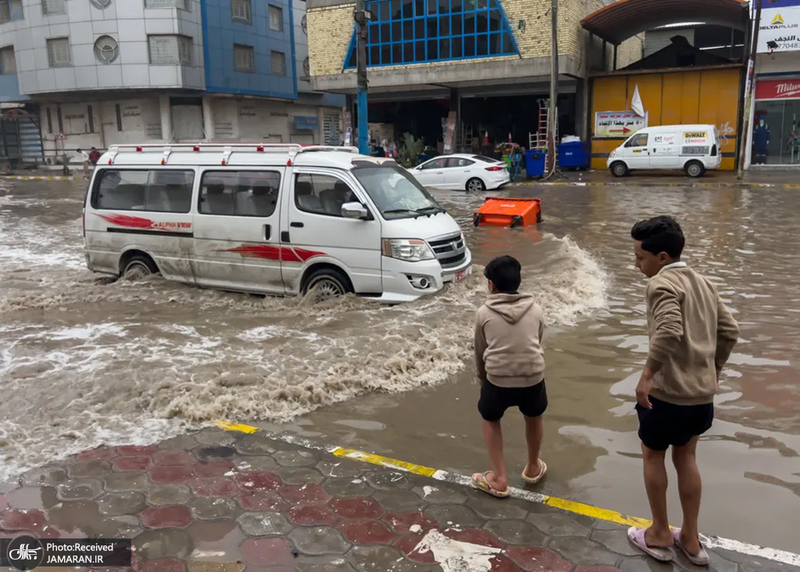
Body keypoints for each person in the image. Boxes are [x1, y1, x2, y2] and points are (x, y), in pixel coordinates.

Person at [628, 216, 739, 566]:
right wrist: (714, 370)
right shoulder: (704, 283)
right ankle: (691, 539)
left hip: (666, 396)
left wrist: (647, 375)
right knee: (687, 458)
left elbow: (669, 330)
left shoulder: (661, 285)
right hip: (701, 397)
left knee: (652, 455)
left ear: (662, 257)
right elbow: (730, 331)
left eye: (640, 257)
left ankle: (660, 533)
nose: (636, 263)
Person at [472, 255, 548, 498]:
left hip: (498, 379)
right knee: (534, 416)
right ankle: (533, 466)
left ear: (491, 285)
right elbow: (538, 339)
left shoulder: (483, 312)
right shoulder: (535, 308)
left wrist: (483, 380)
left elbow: (480, 351)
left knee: (490, 418)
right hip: (533, 376)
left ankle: (499, 477)